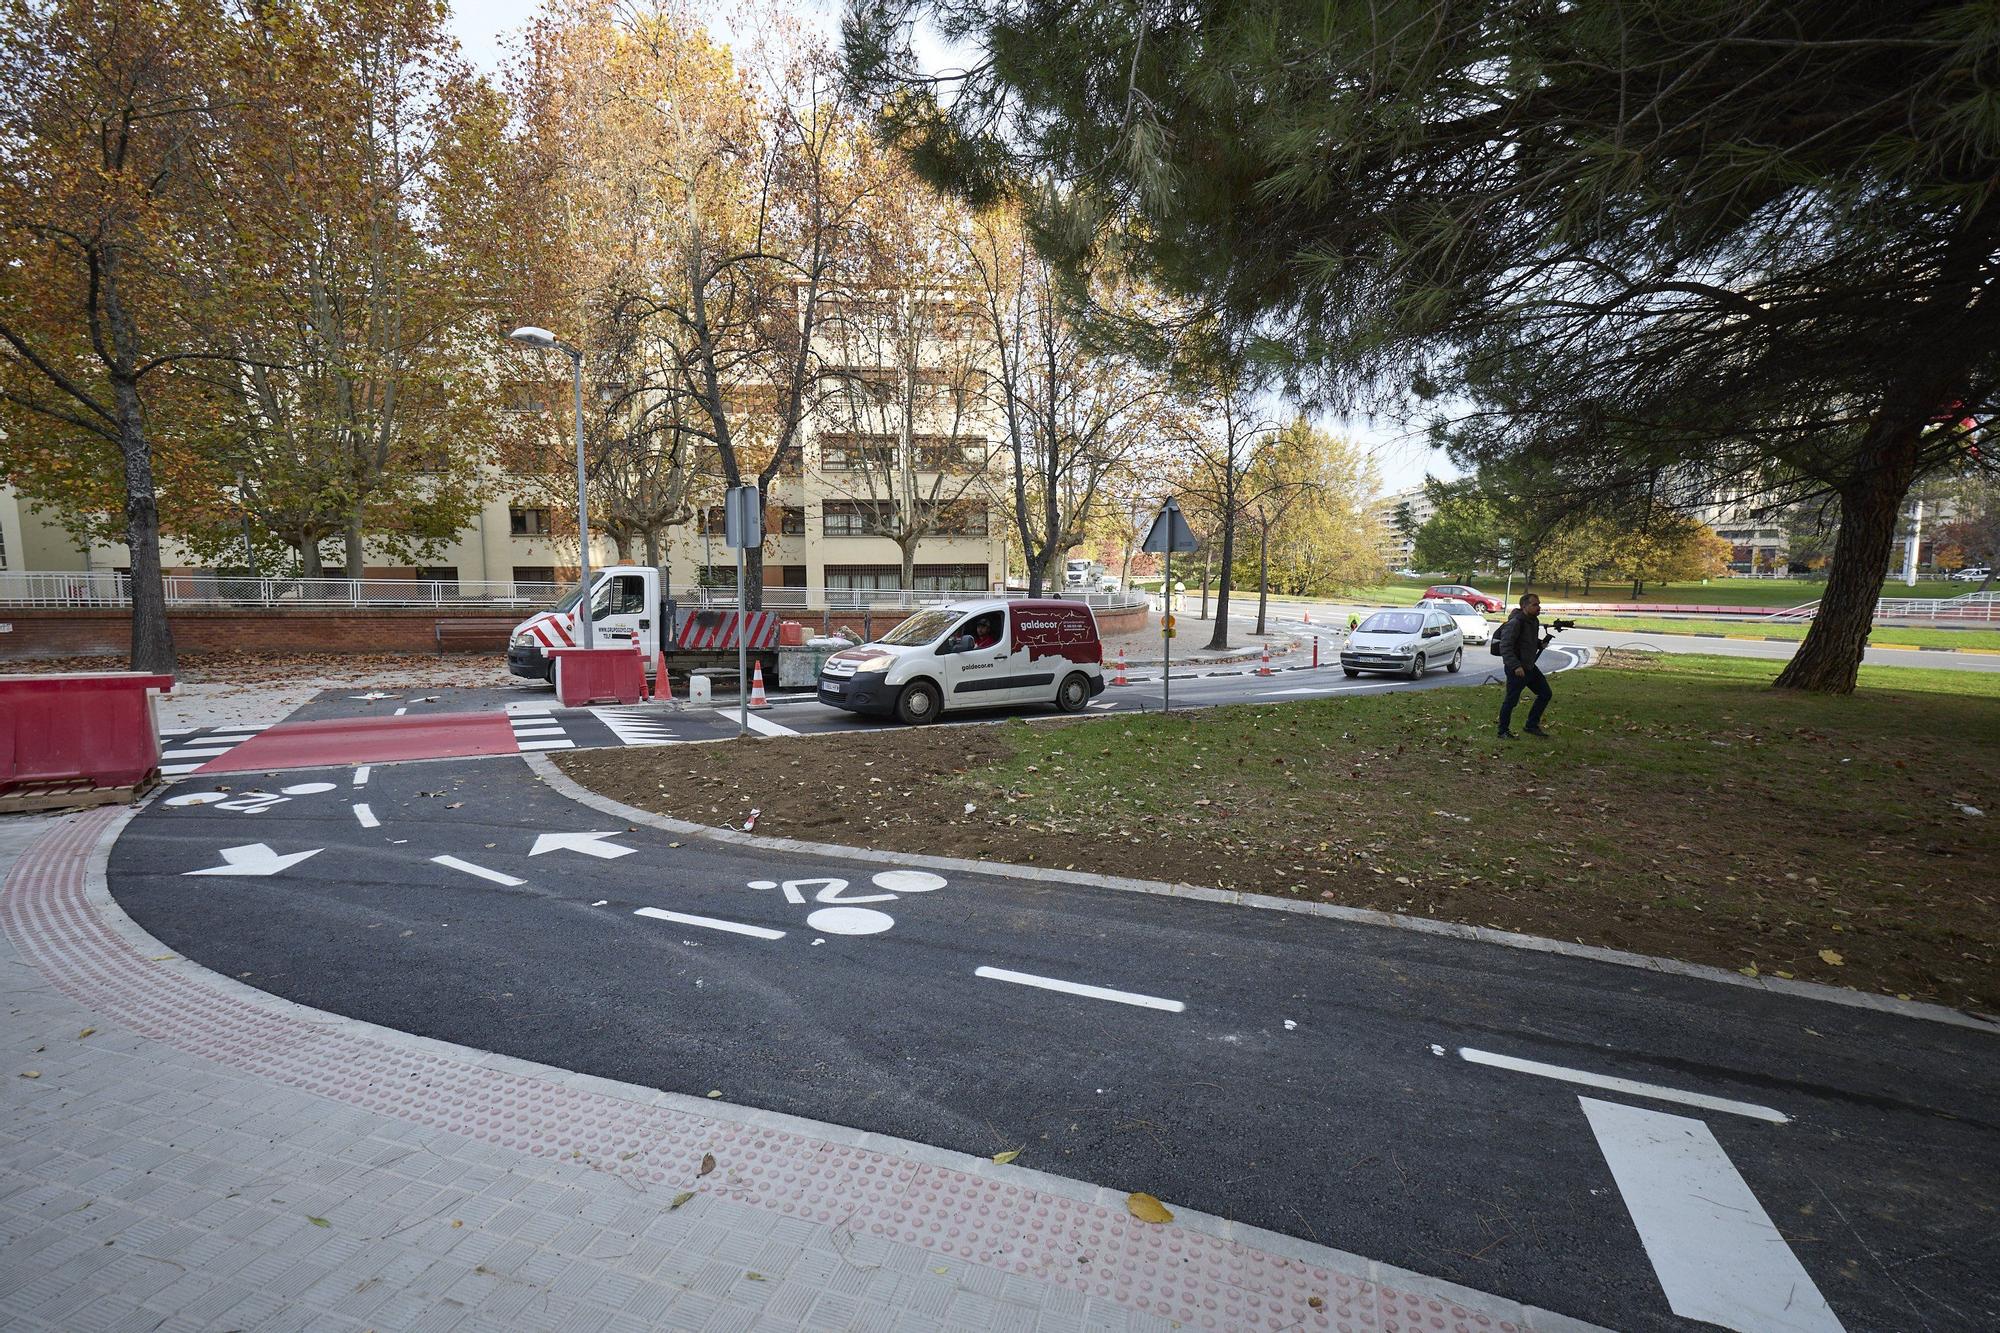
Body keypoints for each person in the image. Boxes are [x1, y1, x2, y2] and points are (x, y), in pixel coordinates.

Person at [1497, 592, 1553, 739]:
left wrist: (1540, 643)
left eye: (1539, 604)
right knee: (1511, 701)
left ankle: (1531, 725)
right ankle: (1503, 731)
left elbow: (1527, 641)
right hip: (1517, 669)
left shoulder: (1533, 621)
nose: (1538, 607)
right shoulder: (1515, 622)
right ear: (1524, 606)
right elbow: (1505, 646)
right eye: (1535, 604)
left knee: (1545, 694)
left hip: (1529, 667)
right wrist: (1516, 666)